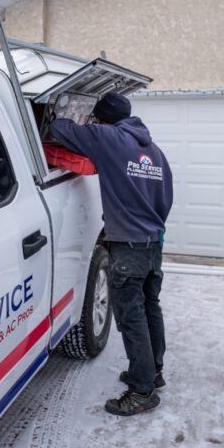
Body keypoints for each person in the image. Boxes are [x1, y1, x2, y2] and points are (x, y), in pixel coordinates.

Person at [50, 92, 173, 416]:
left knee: (131, 316)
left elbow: (60, 129)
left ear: (102, 118)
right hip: (153, 240)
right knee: (149, 307)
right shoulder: (155, 152)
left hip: (128, 244)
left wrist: (62, 110)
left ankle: (142, 391)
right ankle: (153, 372)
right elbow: (165, 200)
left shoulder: (109, 138)